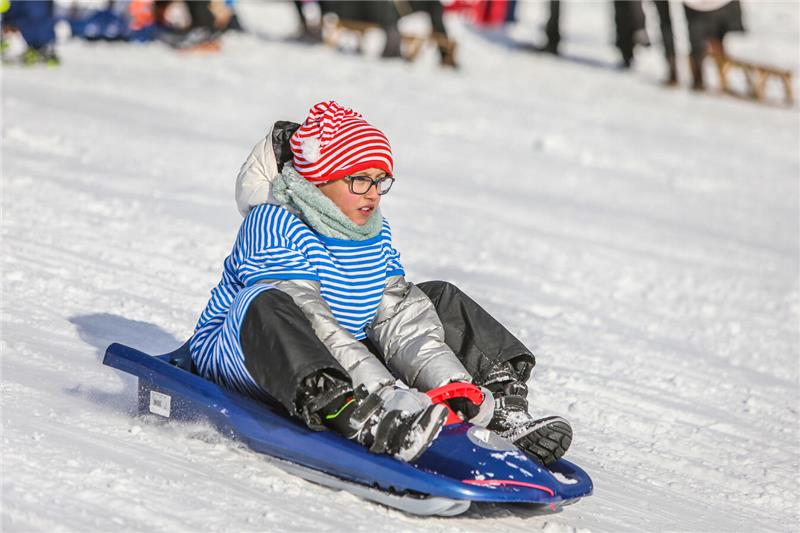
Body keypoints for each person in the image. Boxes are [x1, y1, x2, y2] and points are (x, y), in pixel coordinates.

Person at [191, 100, 573, 464]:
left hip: (342, 353)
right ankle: (354, 413)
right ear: (319, 180)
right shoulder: (272, 223)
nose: (372, 194)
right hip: (248, 353)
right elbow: (311, 319)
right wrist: (381, 393)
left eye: (379, 181)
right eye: (359, 180)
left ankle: (500, 408)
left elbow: (398, 319)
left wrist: (452, 388)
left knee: (436, 297)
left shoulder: (372, 231)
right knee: (268, 299)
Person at [683, 0, 745, 90]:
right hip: (698, 8)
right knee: (698, 41)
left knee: (725, 39)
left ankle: (725, 80)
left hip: (717, 7)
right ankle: (699, 78)